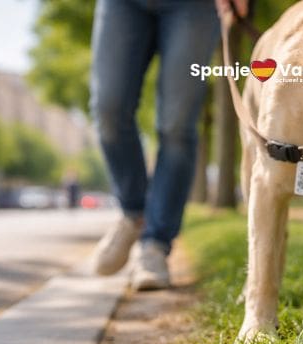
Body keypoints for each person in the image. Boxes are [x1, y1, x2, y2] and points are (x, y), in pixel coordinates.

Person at [89, 0, 247, 289]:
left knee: (177, 125)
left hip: (194, 7)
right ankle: (133, 214)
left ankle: (155, 245)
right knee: (107, 109)